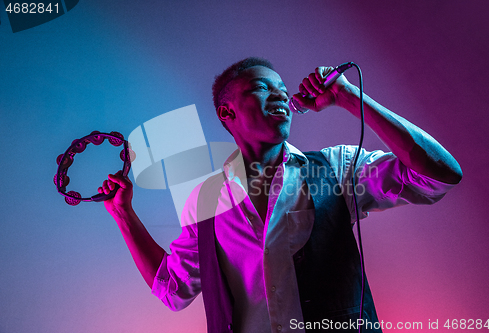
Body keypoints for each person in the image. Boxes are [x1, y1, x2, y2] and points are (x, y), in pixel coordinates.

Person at [98, 57, 462, 333]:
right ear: (227, 112)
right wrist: (123, 214)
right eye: (263, 87)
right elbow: (173, 290)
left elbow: (440, 175)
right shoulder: (205, 199)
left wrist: (351, 98)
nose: (282, 95)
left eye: (283, 89)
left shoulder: (336, 168)